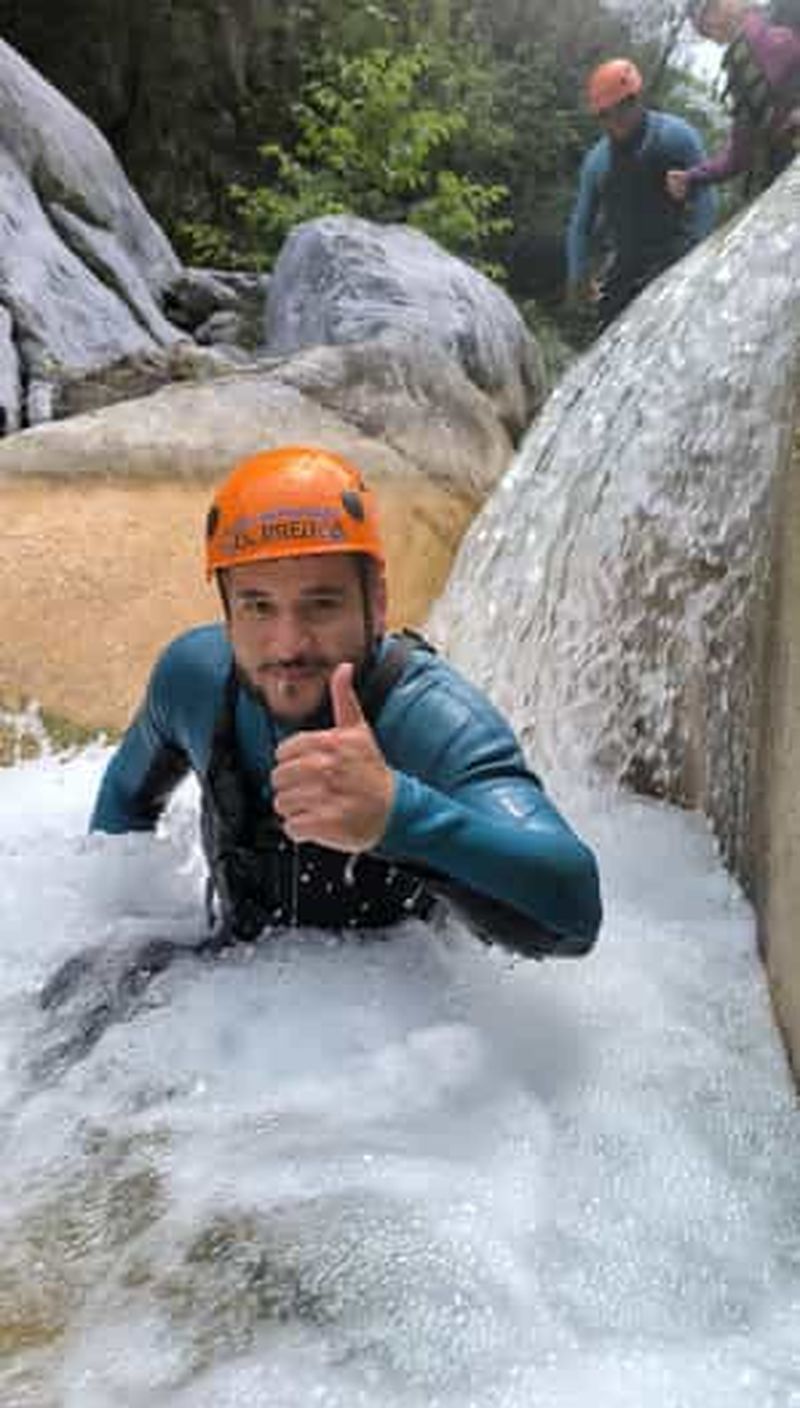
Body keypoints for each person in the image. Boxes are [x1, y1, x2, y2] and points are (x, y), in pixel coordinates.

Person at [89, 445, 602, 960]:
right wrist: (118, 920)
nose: (288, 644)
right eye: (259, 606)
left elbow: (575, 910)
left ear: (376, 603)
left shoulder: (434, 718)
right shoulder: (192, 678)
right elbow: (123, 797)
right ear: (228, 610)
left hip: (397, 1022)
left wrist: (399, 814)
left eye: (322, 605)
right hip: (231, 988)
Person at [567, 58, 716, 328]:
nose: (615, 120)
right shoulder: (598, 162)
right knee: (610, 322)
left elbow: (705, 196)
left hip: (676, 253)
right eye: (606, 115)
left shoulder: (676, 136)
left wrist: (698, 254)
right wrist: (578, 274)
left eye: (622, 108)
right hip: (627, 264)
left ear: (637, 100)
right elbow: (580, 225)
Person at [666, 0, 800, 203]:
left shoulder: (745, 58)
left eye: (707, 26)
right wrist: (693, 176)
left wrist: (693, 176)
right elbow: (738, 154)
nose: (712, 36)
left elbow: (738, 157)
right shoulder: (743, 63)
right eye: (705, 31)